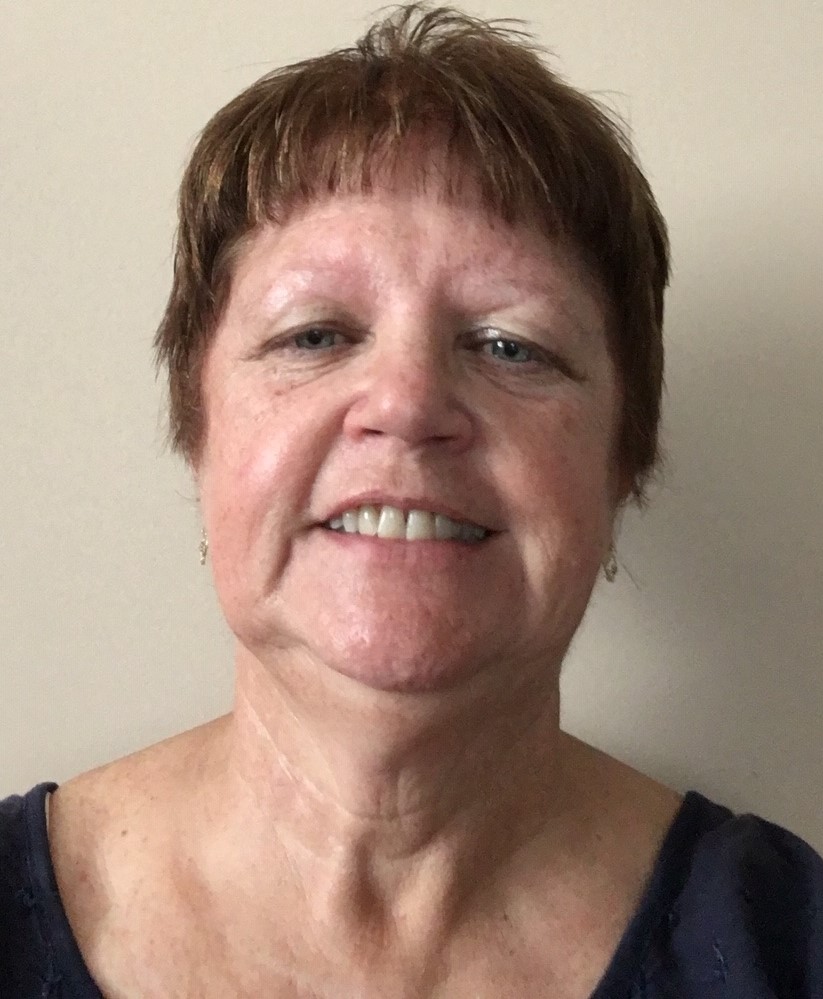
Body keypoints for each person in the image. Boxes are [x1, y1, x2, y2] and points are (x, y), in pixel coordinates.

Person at [2, 4, 821, 997]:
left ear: (623, 460)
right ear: (198, 426)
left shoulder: (788, 946)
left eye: (510, 344)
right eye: (315, 334)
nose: (405, 405)